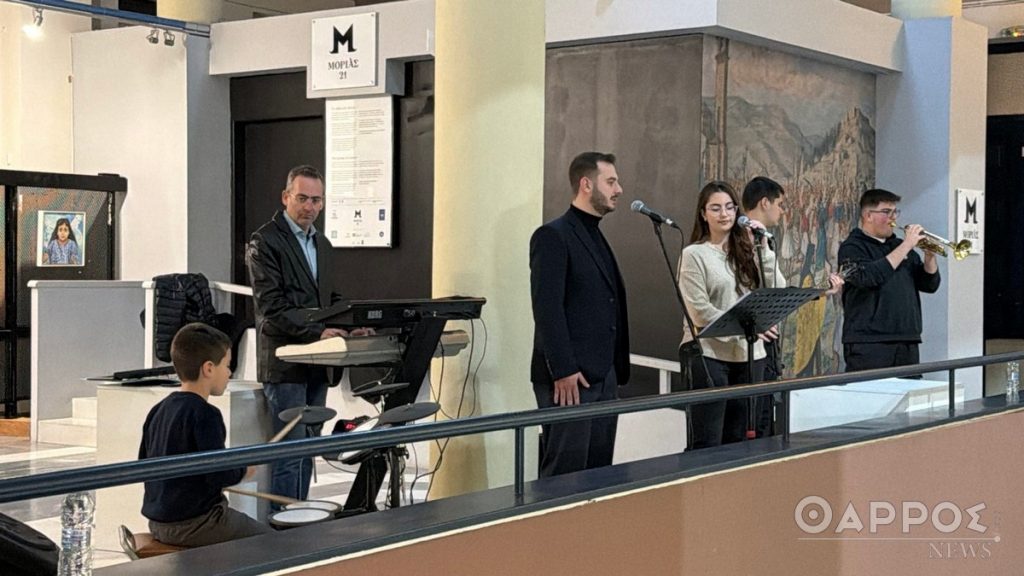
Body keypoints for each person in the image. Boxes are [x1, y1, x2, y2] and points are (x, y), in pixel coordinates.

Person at [246, 165, 370, 504]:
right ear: (285, 197)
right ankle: (284, 526)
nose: (310, 207)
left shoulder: (322, 243)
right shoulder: (264, 241)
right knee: (290, 453)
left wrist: (351, 325)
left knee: (309, 448)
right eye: (302, 198)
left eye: (316, 200)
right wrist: (318, 331)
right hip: (286, 364)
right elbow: (271, 307)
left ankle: (302, 519)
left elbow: (328, 298)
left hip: (319, 361)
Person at [530, 151, 630, 477]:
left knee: (598, 475)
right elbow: (547, 308)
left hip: (603, 376)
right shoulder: (553, 235)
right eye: (611, 182)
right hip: (571, 379)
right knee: (564, 475)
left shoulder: (594, 234)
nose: (619, 189)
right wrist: (563, 370)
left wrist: (613, 371)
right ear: (587, 184)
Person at [139, 323, 270, 547]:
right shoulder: (205, 414)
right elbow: (219, 473)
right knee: (274, 543)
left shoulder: (159, 409)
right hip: (197, 523)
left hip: (158, 522)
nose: (229, 373)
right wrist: (243, 470)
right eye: (227, 365)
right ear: (209, 368)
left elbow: (144, 464)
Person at [677, 181, 785, 449]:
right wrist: (747, 326)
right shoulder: (694, 254)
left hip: (749, 355)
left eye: (729, 207)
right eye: (715, 208)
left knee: (741, 441)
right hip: (709, 354)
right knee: (708, 440)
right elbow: (699, 311)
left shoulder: (748, 250)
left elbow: (777, 289)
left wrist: (764, 249)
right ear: (703, 214)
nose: (724, 214)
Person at [838, 188, 940, 372]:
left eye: (895, 212)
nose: (893, 218)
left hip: (907, 339)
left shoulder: (899, 246)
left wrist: (930, 257)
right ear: (868, 215)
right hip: (868, 342)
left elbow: (929, 285)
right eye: (886, 212)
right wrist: (907, 245)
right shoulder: (852, 247)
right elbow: (868, 277)